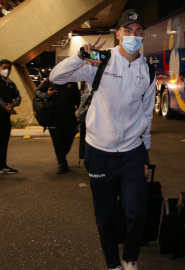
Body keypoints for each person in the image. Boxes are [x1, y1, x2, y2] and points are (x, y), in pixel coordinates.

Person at [49, 9, 155, 270]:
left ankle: (130, 258)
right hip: (100, 152)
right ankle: (113, 264)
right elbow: (56, 77)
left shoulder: (148, 71)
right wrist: (80, 57)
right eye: (127, 31)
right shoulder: (102, 61)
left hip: (133, 152)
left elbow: (146, 112)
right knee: (105, 215)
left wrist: (146, 151)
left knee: (138, 212)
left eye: (138, 31)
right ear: (118, 34)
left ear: (143, 36)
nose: (133, 36)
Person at [35, 78, 80, 174]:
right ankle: (62, 163)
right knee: (57, 141)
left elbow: (77, 98)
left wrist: (81, 113)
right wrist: (47, 94)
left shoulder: (71, 81)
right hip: (54, 118)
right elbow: (37, 91)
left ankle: (61, 155)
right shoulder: (50, 80)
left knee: (69, 139)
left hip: (70, 117)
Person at [0, 59, 21, 174]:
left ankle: (2, 165)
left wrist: (13, 104)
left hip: (5, 117)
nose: (6, 70)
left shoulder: (11, 83)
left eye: (9, 68)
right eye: (4, 68)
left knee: (3, 142)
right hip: (3, 112)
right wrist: (5, 106)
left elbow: (18, 96)